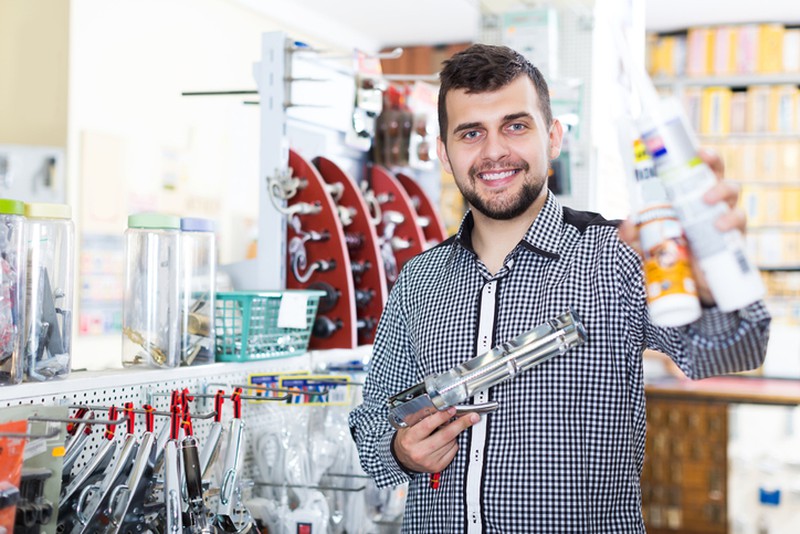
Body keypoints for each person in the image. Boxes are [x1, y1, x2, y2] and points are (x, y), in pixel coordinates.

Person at [348, 43, 771, 533]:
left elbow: (732, 352)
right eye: (470, 133)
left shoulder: (621, 255)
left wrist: (713, 281)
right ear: (444, 153)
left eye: (515, 125)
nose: (494, 152)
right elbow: (371, 420)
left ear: (553, 137)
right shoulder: (418, 280)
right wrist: (399, 450)